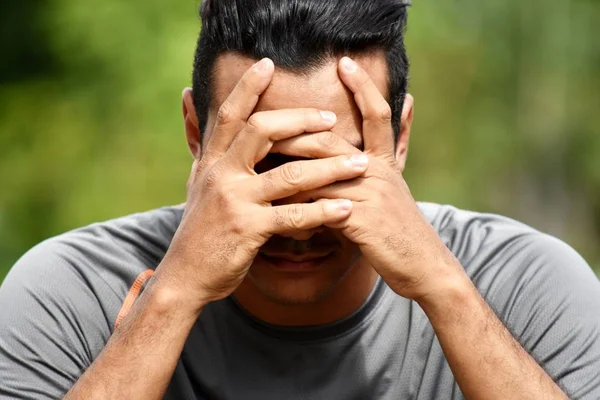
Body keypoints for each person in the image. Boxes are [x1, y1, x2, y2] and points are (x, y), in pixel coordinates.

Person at [1, 0, 599, 398]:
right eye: (264, 165)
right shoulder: (70, 291)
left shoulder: (525, 285)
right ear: (194, 132)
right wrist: (172, 299)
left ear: (401, 139)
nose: (297, 220)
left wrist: (444, 292)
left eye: (335, 169)